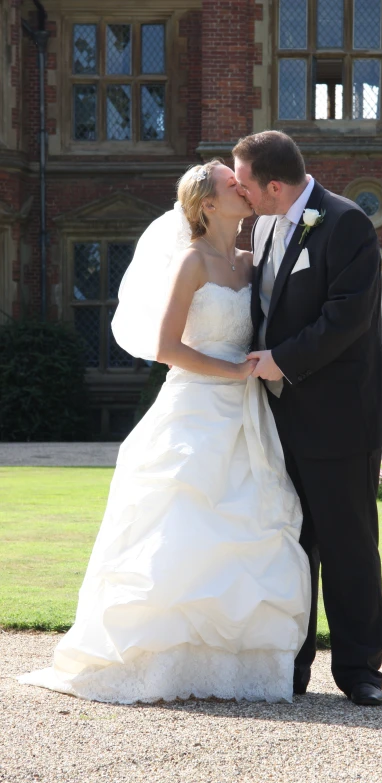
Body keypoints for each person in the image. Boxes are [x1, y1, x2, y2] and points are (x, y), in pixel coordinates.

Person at [17, 160, 311, 704]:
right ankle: (164, 662)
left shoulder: (253, 262)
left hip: (248, 412)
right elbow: (169, 346)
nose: (243, 190)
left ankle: (234, 667)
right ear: (206, 204)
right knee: (182, 525)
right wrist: (231, 370)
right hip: (197, 405)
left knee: (250, 524)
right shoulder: (191, 264)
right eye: (231, 185)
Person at [233, 131, 382, 706]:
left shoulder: (346, 223)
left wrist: (280, 360)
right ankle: (293, 667)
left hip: (340, 416)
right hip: (275, 417)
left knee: (349, 545)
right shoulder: (261, 225)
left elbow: (348, 318)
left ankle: (361, 672)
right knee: (291, 545)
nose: (240, 191)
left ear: (276, 186)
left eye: (244, 183)